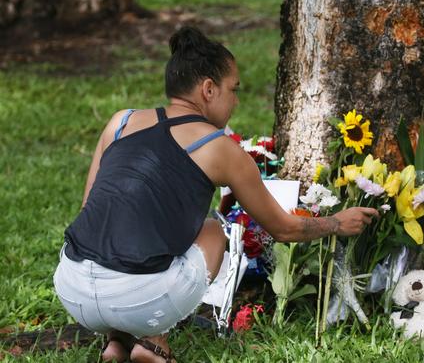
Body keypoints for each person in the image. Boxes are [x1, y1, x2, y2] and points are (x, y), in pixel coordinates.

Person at [53, 26, 378, 363]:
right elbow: (284, 229)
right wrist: (337, 223)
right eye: (233, 90)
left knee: (117, 226)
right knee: (211, 231)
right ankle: (152, 343)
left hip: (73, 288)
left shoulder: (120, 122)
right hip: (138, 300)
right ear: (208, 89)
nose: (236, 101)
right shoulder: (219, 148)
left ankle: (115, 343)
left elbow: (89, 207)